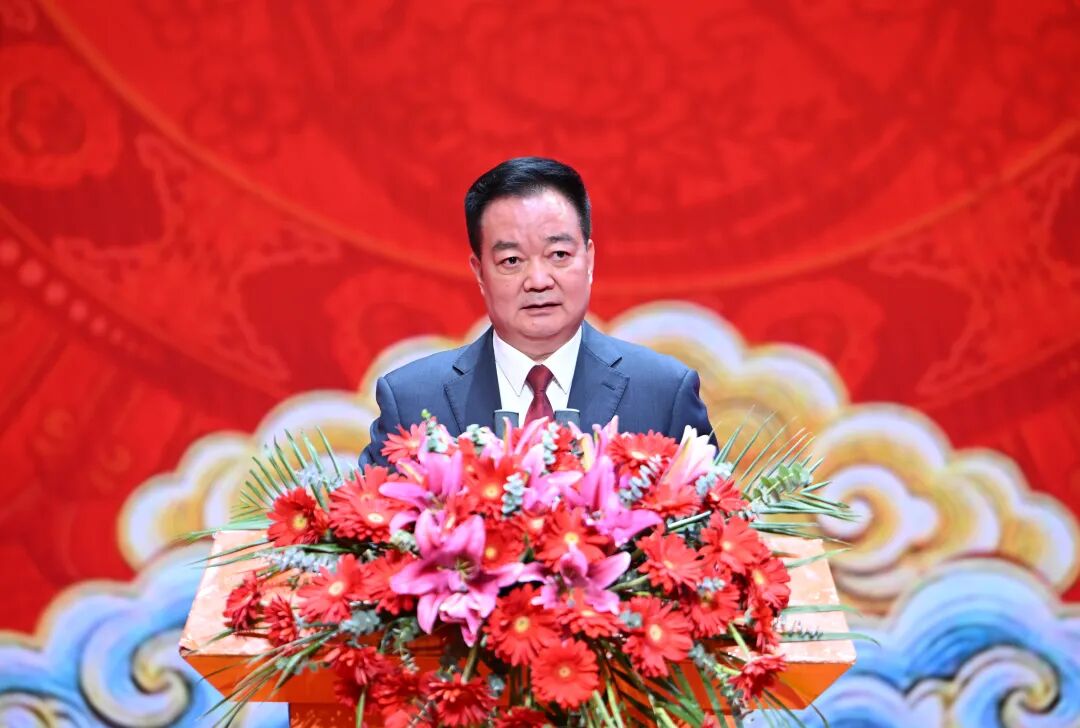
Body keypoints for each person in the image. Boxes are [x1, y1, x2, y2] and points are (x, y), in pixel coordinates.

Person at [358, 157, 712, 467]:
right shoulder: (411, 399)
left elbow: (712, 517)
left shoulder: (663, 392)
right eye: (512, 260)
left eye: (559, 255)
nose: (539, 281)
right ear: (479, 272)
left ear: (589, 260)